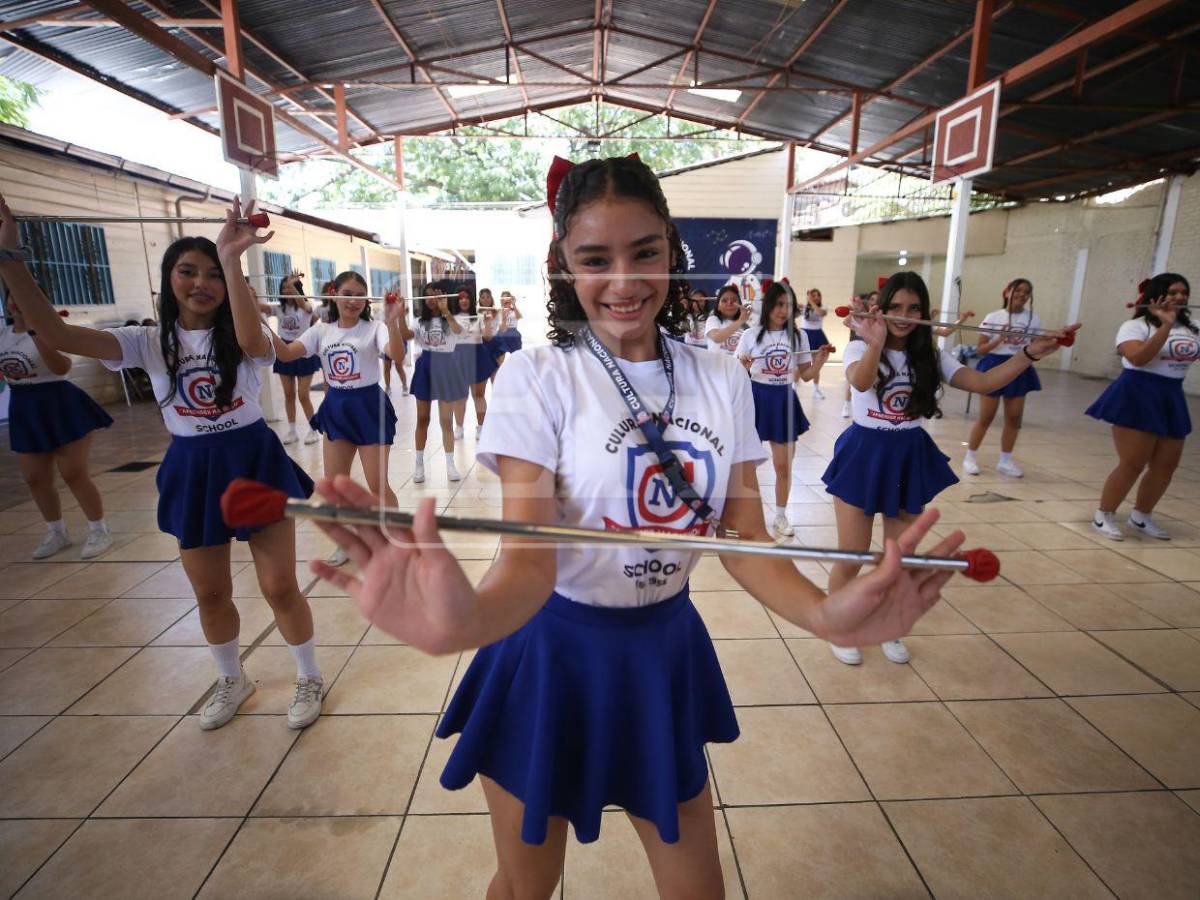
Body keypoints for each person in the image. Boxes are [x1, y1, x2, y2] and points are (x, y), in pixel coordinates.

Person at [308, 156, 966, 897]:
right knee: (527, 887)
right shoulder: (539, 377)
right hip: (548, 653)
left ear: (672, 249)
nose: (623, 281)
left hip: (664, 654)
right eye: (595, 260)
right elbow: (528, 563)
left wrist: (825, 613)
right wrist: (465, 622)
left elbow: (742, 542)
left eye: (644, 252)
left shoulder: (722, 377)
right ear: (562, 267)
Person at [0, 195, 324, 730]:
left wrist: (232, 257)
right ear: (168, 279)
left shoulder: (246, 331)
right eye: (186, 271)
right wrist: (11, 259)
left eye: (210, 274)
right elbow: (56, 336)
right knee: (210, 591)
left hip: (252, 459)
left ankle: (308, 674)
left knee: (279, 586)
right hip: (193, 469)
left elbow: (249, 339)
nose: (201, 283)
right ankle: (231, 679)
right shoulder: (147, 342)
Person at [822, 271, 1077, 666]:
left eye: (914, 308)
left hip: (908, 453)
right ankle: (838, 624)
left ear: (925, 312)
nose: (905, 316)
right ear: (881, 309)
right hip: (864, 453)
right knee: (853, 553)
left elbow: (985, 382)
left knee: (900, 554)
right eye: (896, 307)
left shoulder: (932, 356)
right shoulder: (859, 348)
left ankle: (889, 625)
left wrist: (1029, 354)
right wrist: (873, 342)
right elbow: (860, 382)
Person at [274, 270, 406, 566]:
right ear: (334, 293)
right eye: (348, 293)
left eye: (360, 295)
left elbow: (396, 355)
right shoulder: (321, 329)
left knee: (378, 484)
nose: (354, 300)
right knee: (335, 485)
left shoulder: (375, 328)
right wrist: (256, 321)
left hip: (369, 407)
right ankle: (347, 542)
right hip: (336, 407)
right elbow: (285, 353)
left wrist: (394, 320)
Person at [0, 291, 114, 560]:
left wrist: (34, 332)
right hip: (24, 405)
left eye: (22, 296)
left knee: (73, 472)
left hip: (59, 403)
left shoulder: (50, 332)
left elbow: (61, 367)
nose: (17, 301)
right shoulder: (3, 336)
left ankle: (99, 529)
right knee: (35, 478)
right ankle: (57, 532)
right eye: (11, 297)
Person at [1086, 273, 1196, 540]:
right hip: (1137, 393)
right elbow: (1138, 358)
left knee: (1166, 465)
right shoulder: (1135, 326)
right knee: (1133, 463)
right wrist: (1165, 326)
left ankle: (1142, 516)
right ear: (1156, 296)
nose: (1180, 297)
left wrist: (1175, 325)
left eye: (1184, 292)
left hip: (1171, 395)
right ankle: (1104, 515)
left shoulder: (1193, 327)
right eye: (1173, 292)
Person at [736, 281, 830, 538]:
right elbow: (738, 373)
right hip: (755, 398)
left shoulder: (800, 336)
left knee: (783, 466)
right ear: (768, 306)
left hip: (784, 400)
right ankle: (744, 515)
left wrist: (819, 361)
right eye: (778, 304)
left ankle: (779, 514)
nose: (783, 310)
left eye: (788, 305)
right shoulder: (750, 335)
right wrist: (743, 365)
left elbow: (806, 375)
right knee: (746, 466)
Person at [963, 278, 1040, 477]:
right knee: (986, 417)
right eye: (1018, 290)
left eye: (1027, 292)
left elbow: (1034, 346)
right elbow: (980, 349)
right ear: (1007, 292)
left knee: (1014, 418)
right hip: (994, 364)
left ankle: (1005, 461)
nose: (1022, 295)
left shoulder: (1034, 319)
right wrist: (1000, 339)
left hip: (1019, 366)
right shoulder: (994, 317)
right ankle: (970, 457)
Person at [400, 284, 466, 484]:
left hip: (446, 366)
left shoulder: (453, 318)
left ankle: (450, 464)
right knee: (422, 418)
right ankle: (419, 464)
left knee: (446, 420)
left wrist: (445, 310)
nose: (430, 300)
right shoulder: (418, 321)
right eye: (427, 296)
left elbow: (459, 331)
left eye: (435, 296)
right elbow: (405, 336)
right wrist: (399, 315)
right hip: (426, 366)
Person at [267, 270, 321, 446]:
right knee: (288, 394)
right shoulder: (279, 308)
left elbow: (304, 305)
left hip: (303, 349)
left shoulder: (305, 307)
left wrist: (292, 285)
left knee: (303, 394)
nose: (286, 290)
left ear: (296, 288)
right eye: (284, 288)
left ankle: (313, 430)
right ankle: (292, 431)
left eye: (289, 287)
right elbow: (257, 307)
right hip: (284, 348)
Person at [452, 288, 496, 440]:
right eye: (461, 298)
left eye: (467, 298)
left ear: (471, 300)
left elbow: (488, 337)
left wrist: (488, 322)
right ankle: (459, 427)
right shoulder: (452, 318)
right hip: (459, 356)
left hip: (477, 355)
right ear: (457, 301)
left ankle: (481, 427)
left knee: (478, 394)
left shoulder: (479, 317)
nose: (464, 301)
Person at [704, 284, 749, 355]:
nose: (729, 303)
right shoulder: (713, 320)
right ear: (718, 306)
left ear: (740, 304)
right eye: (724, 301)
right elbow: (717, 338)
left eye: (734, 300)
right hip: (716, 365)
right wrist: (740, 321)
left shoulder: (745, 326)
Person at [801, 287, 829, 399]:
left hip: (817, 335)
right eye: (814, 295)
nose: (816, 297)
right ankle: (793, 385)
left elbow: (820, 313)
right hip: (805, 335)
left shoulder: (823, 307)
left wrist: (811, 301)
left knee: (816, 363)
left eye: (818, 295)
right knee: (800, 362)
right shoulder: (803, 307)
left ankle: (816, 389)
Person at [490, 290, 523, 376]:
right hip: (502, 334)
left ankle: (516, 375)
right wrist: (504, 317)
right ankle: (499, 375)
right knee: (499, 359)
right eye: (503, 298)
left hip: (513, 334)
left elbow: (519, 317)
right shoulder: (499, 311)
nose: (505, 300)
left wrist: (514, 304)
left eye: (507, 298)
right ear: (501, 300)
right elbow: (500, 328)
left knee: (516, 359)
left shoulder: (514, 310)